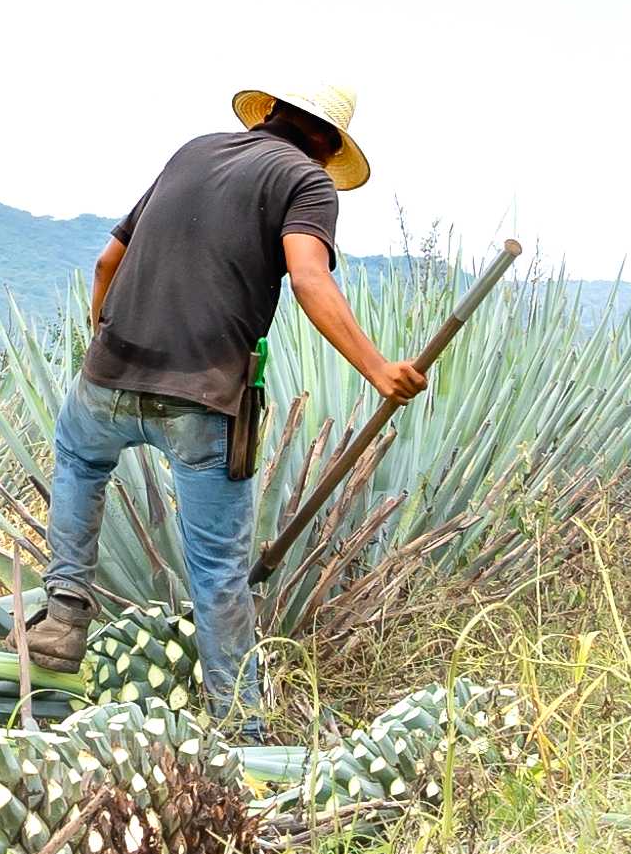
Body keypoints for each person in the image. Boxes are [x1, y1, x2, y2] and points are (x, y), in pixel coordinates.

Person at [27, 79, 427, 727]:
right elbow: (308, 276)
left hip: (108, 374)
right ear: (331, 147)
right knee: (217, 571)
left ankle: (65, 612)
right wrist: (378, 369)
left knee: (80, 459)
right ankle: (242, 729)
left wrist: (104, 345)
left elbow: (106, 263)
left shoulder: (192, 151)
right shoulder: (306, 181)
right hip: (203, 394)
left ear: (268, 112)